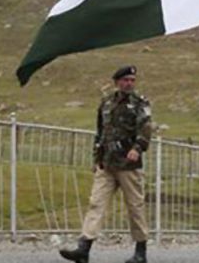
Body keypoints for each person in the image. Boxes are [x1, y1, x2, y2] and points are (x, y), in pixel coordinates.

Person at [60, 66, 152, 263]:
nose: (129, 83)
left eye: (132, 80)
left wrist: (138, 148)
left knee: (135, 206)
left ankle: (140, 251)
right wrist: (96, 158)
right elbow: (101, 132)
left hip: (129, 163)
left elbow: (145, 127)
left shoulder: (139, 102)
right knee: (96, 203)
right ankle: (84, 248)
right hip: (107, 163)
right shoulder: (106, 103)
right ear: (117, 82)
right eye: (126, 80)